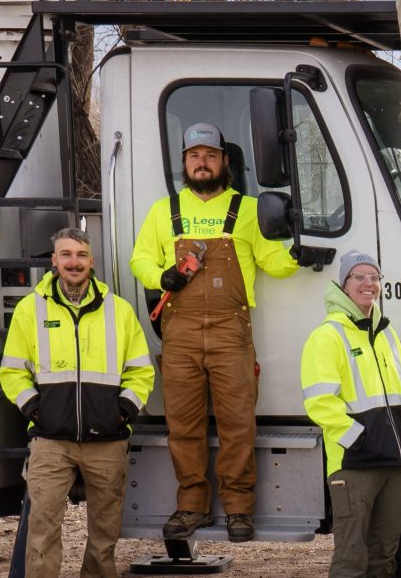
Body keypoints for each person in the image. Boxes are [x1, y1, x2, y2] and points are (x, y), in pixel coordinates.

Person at [128, 123, 313, 545]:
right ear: (184, 163)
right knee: (184, 424)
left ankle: (238, 509)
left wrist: (297, 255)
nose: (202, 162)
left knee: (237, 424)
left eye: (210, 154)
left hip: (232, 333)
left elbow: (271, 260)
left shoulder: (247, 209)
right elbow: (139, 258)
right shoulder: (164, 211)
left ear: (225, 161)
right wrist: (163, 275)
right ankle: (191, 505)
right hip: (181, 334)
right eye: (194, 155)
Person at [0, 227, 153, 578]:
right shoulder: (32, 310)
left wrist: (123, 411)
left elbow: (142, 372)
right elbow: (12, 370)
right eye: (66, 254)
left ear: (91, 262)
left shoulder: (118, 312)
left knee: (104, 535)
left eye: (81, 254)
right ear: (53, 261)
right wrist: (35, 410)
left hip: (107, 442)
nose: (74, 262)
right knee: (44, 533)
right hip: (51, 442)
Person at [302, 252, 401, 578]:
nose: (369, 284)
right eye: (360, 277)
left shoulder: (386, 335)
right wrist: (360, 439)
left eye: (375, 277)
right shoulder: (328, 336)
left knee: (383, 555)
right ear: (343, 284)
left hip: (392, 462)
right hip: (354, 464)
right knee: (351, 556)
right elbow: (320, 402)